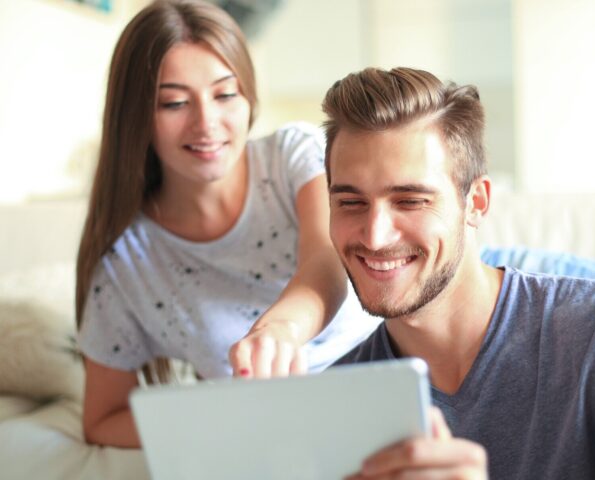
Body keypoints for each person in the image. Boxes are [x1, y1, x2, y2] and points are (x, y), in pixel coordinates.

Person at [75, 0, 379, 448]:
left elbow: (326, 256)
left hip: (393, 367)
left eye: (224, 94)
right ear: (137, 116)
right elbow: (102, 420)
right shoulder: (126, 265)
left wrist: (279, 331)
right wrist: (220, 420)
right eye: (174, 102)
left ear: (249, 94)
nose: (207, 124)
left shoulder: (293, 156)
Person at [322, 67, 595, 479]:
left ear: (476, 202)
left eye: (410, 200)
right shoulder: (334, 405)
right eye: (351, 203)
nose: (376, 236)